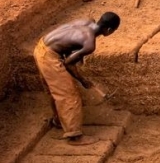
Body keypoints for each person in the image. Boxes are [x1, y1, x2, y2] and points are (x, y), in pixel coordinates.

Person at [33, 13, 121, 145]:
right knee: (69, 95)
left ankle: (58, 121)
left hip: (41, 46)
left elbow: (67, 39)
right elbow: (68, 63)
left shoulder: (86, 21)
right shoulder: (89, 43)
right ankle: (74, 136)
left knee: (56, 89)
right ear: (109, 30)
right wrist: (83, 80)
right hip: (49, 57)